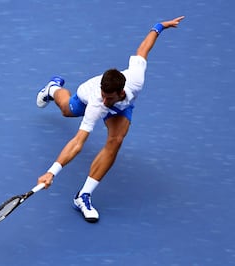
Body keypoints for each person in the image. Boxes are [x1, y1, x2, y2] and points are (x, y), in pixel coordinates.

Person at [36, 16, 185, 223]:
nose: (105, 100)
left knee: (116, 141)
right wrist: (52, 172)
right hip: (85, 98)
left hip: (123, 109)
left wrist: (159, 27)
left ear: (121, 91)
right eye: (104, 95)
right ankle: (53, 88)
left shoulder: (135, 79)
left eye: (110, 97)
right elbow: (78, 143)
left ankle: (83, 196)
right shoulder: (97, 102)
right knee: (66, 109)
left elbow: (143, 49)